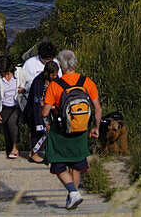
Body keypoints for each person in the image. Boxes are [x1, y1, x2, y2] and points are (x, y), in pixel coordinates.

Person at [42, 50, 101, 211]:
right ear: (75, 63)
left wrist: (52, 107)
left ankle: (73, 192)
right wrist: (95, 127)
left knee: (57, 163)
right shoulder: (87, 82)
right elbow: (97, 108)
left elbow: (45, 113)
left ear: (61, 66)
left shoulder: (55, 85)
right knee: (75, 164)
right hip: (81, 129)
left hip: (61, 131)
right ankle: (73, 197)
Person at [0, 54, 25, 158]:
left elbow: (29, 82)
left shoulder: (19, 73)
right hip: (4, 106)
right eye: (1, 73)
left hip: (17, 104)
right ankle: (10, 149)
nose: (3, 75)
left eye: (5, 73)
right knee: (6, 129)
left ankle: (15, 148)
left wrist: (24, 89)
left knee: (12, 122)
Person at [25, 59, 59, 162]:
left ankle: (47, 152)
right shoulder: (38, 82)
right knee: (37, 131)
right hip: (36, 110)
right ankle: (34, 153)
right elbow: (36, 100)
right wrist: (44, 106)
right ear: (47, 73)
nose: (55, 77)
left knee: (51, 131)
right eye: (53, 75)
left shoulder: (56, 80)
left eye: (56, 75)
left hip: (51, 108)